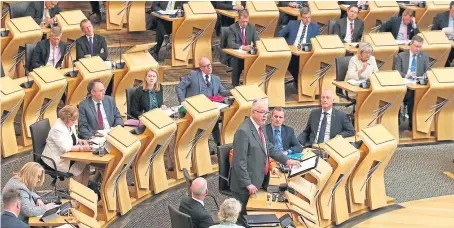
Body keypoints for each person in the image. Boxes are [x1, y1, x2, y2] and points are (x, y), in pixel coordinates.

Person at [230, 99, 300, 222]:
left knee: (254, 216)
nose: (265, 116)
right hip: (244, 186)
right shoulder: (243, 131)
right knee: (243, 219)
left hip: (257, 179)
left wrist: (287, 161)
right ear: (253, 112)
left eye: (266, 113)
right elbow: (239, 162)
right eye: (262, 112)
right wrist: (247, 183)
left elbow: (269, 148)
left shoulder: (260, 128)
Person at [176, 57, 231, 146]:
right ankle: (197, 144)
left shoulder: (216, 79)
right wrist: (182, 101)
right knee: (204, 123)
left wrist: (234, 91)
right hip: (195, 109)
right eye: (206, 66)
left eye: (210, 65)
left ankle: (219, 145)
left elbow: (223, 92)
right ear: (201, 68)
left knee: (214, 121)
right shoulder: (193, 76)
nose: (209, 67)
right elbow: (179, 87)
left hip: (211, 108)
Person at [42, 105, 91, 185]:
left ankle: (84, 194)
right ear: (66, 119)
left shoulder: (69, 124)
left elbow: (72, 136)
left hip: (68, 155)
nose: (75, 122)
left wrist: (80, 141)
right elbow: (65, 148)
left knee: (86, 166)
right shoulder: (57, 129)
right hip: (56, 159)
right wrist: (82, 149)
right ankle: (75, 196)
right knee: (78, 170)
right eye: (73, 120)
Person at [393, 35, 429, 130]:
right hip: (403, 85)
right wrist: (406, 75)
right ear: (411, 45)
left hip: (416, 86)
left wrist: (424, 76)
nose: (418, 49)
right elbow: (396, 72)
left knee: (415, 96)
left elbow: (428, 72)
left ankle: (413, 125)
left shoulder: (424, 57)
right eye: (416, 46)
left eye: (420, 47)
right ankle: (396, 122)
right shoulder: (401, 56)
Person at [278, 7, 320, 88]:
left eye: (309, 17)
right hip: (292, 52)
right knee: (294, 62)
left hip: (306, 54)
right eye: (305, 18)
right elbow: (280, 35)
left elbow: (317, 41)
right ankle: (299, 82)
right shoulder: (292, 24)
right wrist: (286, 46)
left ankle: (301, 83)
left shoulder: (314, 27)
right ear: (300, 17)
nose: (307, 20)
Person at [226, 10, 259, 86]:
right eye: (243, 21)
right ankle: (235, 86)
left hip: (247, 54)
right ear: (238, 19)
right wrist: (243, 47)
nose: (245, 24)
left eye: (246, 21)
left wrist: (253, 47)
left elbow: (257, 42)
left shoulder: (251, 27)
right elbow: (230, 43)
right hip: (235, 54)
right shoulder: (232, 28)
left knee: (257, 61)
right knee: (238, 62)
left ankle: (251, 85)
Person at [432, 1, 454, 66]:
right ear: (449, 9)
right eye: (453, 11)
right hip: (443, 45)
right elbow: (433, 32)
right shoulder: (440, 16)